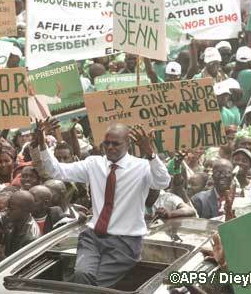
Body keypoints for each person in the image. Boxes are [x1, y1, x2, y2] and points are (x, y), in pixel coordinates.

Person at [36, 122, 170, 287]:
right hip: (92, 237)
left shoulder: (141, 166)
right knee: (81, 275)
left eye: (116, 143)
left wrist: (151, 155)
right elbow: (56, 171)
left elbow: (163, 182)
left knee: (96, 286)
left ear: (128, 144)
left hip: (125, 242)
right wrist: (42, 144)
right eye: (107, 143)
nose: (110, 147)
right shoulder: (94, 163)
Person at [1, 190, 40, 259]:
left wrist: (0, 257)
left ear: (26, 210)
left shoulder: (31, 238)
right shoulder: (13, 219)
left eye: (11, 209)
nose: (6, 211)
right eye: (7, 206)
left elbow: (23, 267)